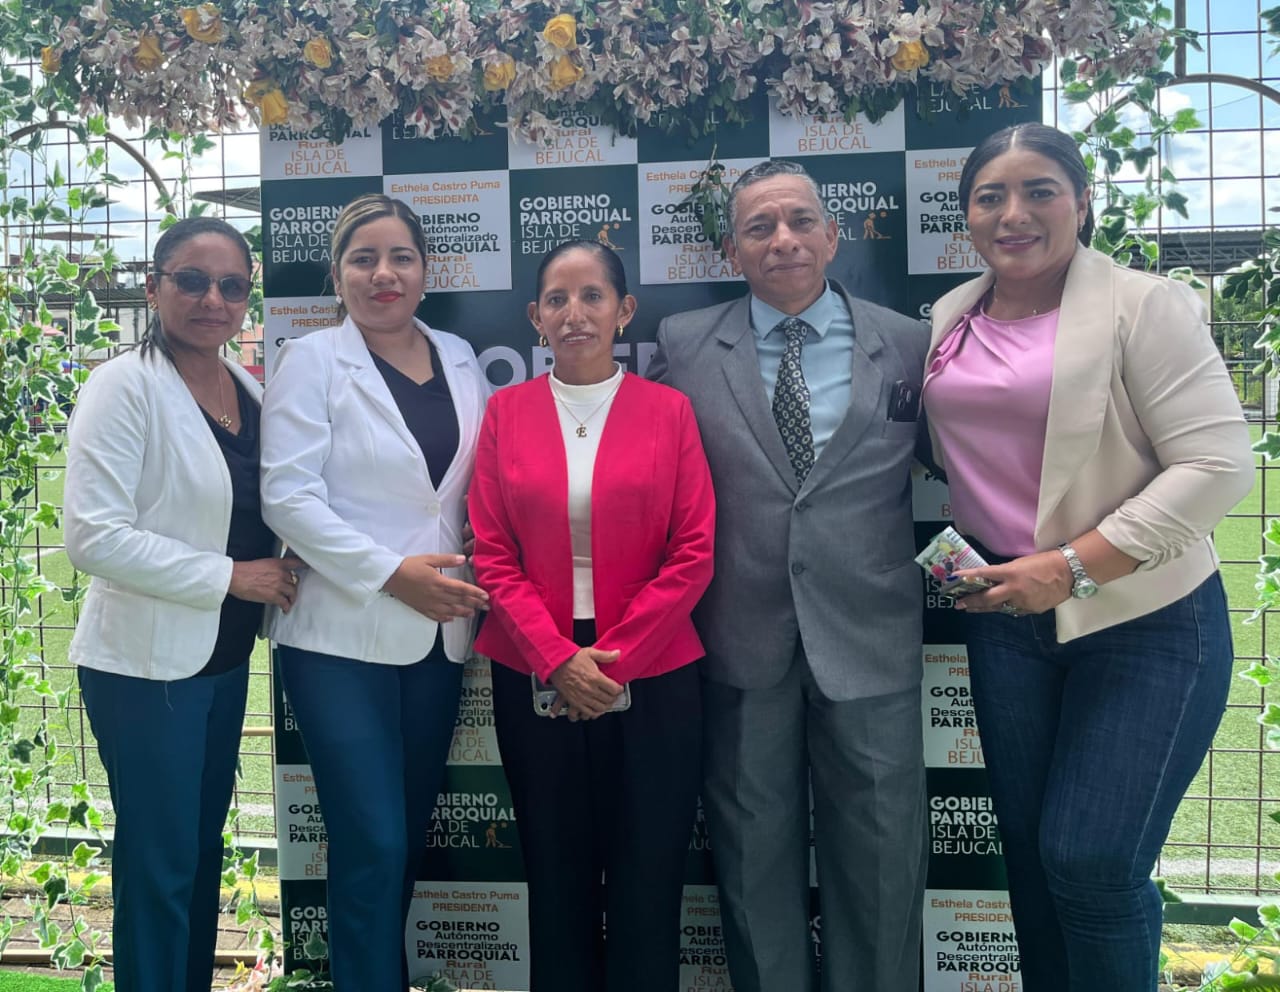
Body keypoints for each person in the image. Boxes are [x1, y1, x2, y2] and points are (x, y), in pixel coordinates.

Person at [921, 122, 1254, 992]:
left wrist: (1071, 565)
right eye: (990, 196)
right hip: (1007, 624)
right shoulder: (951, 316)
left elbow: (1219, 465)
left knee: (1093, 863)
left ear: (1081, 202)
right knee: (1034, 871)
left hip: (1146, 621)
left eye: (1039, 191)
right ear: (967, 215)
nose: (1014, 213)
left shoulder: (1145, 305)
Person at [648, 160, 930, 992]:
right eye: (760, 227)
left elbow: (974, 460)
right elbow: (648, 473)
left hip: (870, 637)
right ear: (732, 250)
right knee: (750, 855)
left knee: (882, 859)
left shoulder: (908, 343)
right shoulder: (685, 344)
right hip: (740, 638)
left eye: (801, 221)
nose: (784, 240)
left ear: (833, 237)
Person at [468, 239, 715, 992]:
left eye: (592, 296)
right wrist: (556, 659)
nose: (574, 313)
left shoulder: (669, 411)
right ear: (535, 318)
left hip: (654, 671)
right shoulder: (506, 413)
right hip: (534, 666)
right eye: (557, 299)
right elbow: (491, 552)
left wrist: (612, 665)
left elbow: (694, 551)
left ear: (624, 310)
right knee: (555, 874)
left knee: (649, 876)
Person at [259, 193, 490, 992]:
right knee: (373, 843)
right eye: (363, 259)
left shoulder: (459, 355)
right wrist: (393, 574)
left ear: (426, 271)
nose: (383, 274)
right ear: (337, 275)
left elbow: (459, 491)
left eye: (400, 257)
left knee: (404, 842)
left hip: (438, 640)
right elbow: (287, 497)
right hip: (338, 638)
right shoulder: (311, 360)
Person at [64, 217, 301, 992]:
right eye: (192, 281)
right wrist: (233, 577)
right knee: (160, 868)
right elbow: (93, 537)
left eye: (232, 286)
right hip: (145, 669)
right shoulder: (121, 386)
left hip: (221, 661)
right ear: (153, 286)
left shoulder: (249, 389)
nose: (213, 300)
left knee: (198, 856)